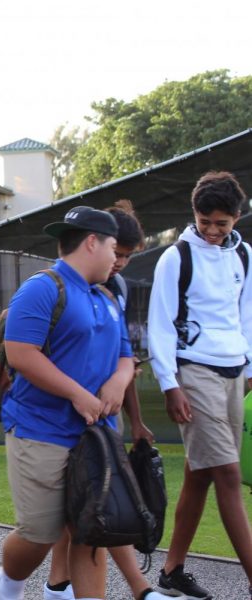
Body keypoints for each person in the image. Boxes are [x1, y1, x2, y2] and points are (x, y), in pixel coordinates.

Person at [0, 207, 134, 600]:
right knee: (40, 533)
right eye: (112, 247)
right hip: (42, 429)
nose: (114, 257)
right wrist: (77, 393)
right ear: (92, 242)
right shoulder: (42, 288)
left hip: (95, 436)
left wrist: (118, 383)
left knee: (92, 531)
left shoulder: (106, 296)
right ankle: (9, 584)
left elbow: (125, 356)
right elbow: (21, 353)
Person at [42, 202, 169, 600]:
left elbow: (123, 358)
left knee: (98, 505)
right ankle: (48, 582)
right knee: (73, 514)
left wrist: (134, 415)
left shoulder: (116, 286)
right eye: (119, 252)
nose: (120, 263)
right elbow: (29, 355)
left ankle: (74, 585)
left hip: (102, 419)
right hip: (61, 419)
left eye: (127, 256)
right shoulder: (57, 285)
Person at [148, 172, 252, 600]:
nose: (211, 230)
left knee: (200, 475)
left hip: (234, 374)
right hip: (194, 372)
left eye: (221, 223)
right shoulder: (175, 257)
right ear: (194, 214)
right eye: (204, 221)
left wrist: (250, 369)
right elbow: (159, 324)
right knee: (228, 474)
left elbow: (247, 316)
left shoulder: (244, 255)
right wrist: (170, 385)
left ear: (237, 217)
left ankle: (172, 571)